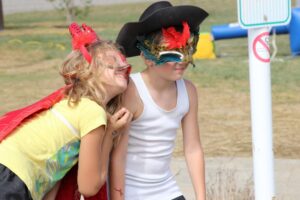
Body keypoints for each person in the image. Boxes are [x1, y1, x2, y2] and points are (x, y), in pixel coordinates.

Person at [0, 22, 132, 200]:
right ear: (87, 72)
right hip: (10, 176)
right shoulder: (92, 112)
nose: (122, 65)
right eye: (111, 61)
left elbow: (55, 176)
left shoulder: (71, 105)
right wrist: (110, 132)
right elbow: (89, 186)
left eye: (122, 61)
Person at [109, 1, 209, 200]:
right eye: (170, 53)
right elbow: (117, 156)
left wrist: (201, 197)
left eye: (186, 50)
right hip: (130, 192)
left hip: (167, 190)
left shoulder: (188, 91)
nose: (181, 61)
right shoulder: (131, 91)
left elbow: (193, 148)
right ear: (148, 58)